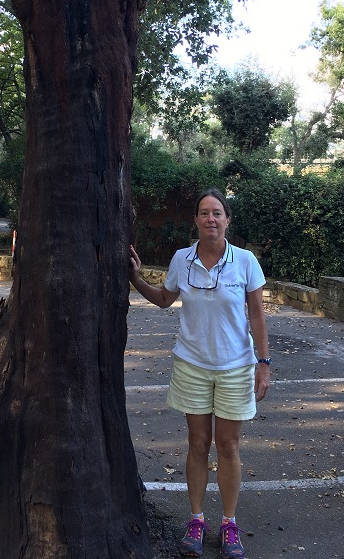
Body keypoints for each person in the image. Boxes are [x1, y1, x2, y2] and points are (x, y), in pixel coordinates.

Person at [129, 188, 270, 559]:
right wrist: (136, 279)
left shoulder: (245, 261)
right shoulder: (182, 258)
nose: (211, 219)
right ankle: (196, 520)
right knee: (197, 443)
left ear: (227, 220)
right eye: (204, 213)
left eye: (217, 213)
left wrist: (264, 363)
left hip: (236, 366)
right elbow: (165, 299)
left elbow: (257, 314)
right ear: (195, 220)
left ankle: (229, 524)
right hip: (192, 365)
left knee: (228, 446)